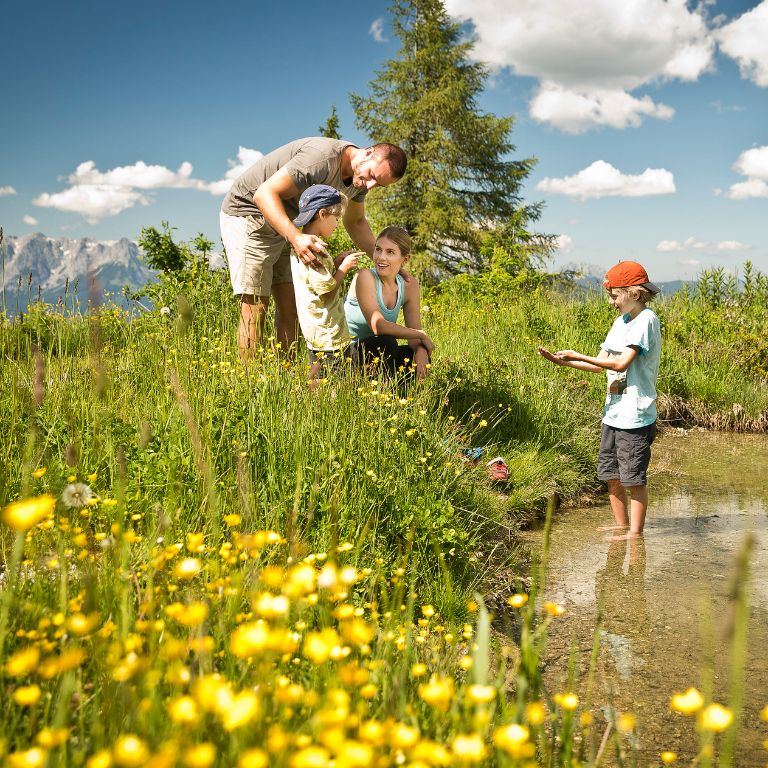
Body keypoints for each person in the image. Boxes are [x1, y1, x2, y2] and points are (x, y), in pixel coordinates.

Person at [219, 137, 407, 357]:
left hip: (288, 225)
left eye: (379, 185)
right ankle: (248, 384)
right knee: (256, 306)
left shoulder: (360, 181)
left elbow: (355, 222)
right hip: (250, 214)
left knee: (292, 308)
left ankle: (283, 377)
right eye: (373, 176)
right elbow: (263, 194)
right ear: (367, 153)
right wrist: (296, 238)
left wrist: (388, 262)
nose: (371, 185)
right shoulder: (321, 160)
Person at [538, 261, 661, 537]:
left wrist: (578, 355)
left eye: (615, 295)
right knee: (611, 474)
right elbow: (600, 364)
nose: (611, 301)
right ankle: (622, 526)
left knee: (634, 478)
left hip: (636, 415)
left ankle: (635, 534)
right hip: (614, 414)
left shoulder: (647, 320)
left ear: (635, 293)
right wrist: (564, 363)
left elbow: (621, 365)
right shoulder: (620, 323)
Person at [288, 184, 363, 382]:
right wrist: (344, 269)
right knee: (338, 382)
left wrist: (336, 262)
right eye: (336, 219)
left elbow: (313, 281)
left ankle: (312, 410)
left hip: (315, 331)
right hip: (329, 332)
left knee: (317, 378)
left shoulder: (301, 246)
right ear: (322, 214)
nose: (337, 224)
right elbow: (326, 291)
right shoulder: (316, 251)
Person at [344, 226, 433, 380]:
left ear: (405, 259)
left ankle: (402, 398)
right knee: (387, 343)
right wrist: (420, 335)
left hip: (378, 355)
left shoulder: (409, 286)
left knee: (412, 356)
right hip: (347, 355)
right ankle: (376, 396)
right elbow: (378, 326)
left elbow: (414, 336)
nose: (381, 257)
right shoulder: (364, 276)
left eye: (390, 252)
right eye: (378, 249)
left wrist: (421, 350)